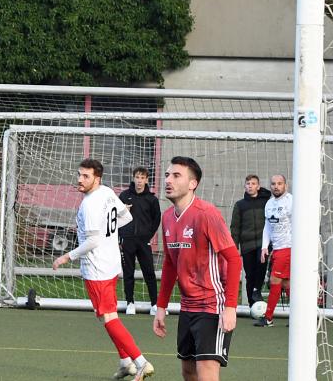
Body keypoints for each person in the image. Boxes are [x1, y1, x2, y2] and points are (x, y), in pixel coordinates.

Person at [53, 159, 154, 381]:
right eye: (79, 174)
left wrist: (66, 256)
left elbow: (92, 241)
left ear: (96, 178)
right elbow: (126, 217)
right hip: (110, 265)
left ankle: (141, 362)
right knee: (105, 316)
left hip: (96, 268)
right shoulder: (108, 192)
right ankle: (126, 362)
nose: (80, 179)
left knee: (108, 318)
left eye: (85, 176)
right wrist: (108, 232)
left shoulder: (89, 204)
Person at [153, 156, 242, 381]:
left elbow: (234, 259)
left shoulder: (206, 214)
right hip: (187, 307)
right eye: (167, 175)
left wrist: (230, 307)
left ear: (193, 184)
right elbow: (170, 264)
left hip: (212, 305)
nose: (168, 180)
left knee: (207, 371)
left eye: (176, 175)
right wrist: (161, 307)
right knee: (188, 371)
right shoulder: (167, 217)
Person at [118, 167, 161, 316]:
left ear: (147, 180)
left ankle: (155, 304)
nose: (139, 181)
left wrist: (147, 235)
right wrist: (123, 212)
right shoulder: (124, 196)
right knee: (128, 272)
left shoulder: (152, 199)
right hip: (127, 240)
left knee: (149, 272)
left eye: (142, 178)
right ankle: (130, 303)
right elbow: (115, 217)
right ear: (133, 178)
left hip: (143, 241)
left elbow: (157, 219)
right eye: (137, 177)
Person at [256, 174, 292, 327]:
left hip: (288, 248)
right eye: (273, 184)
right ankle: (300, 317)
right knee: (286, 284)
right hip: (277, 249)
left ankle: (268, 317)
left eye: (279, 183)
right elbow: (268, 227)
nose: (276, 186)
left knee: (274, 281)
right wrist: (265, 246)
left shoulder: (292, 201)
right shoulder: (269, 203)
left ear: (286, 185)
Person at [229, 175, 271, 306]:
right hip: (247, 245)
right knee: (249, 274)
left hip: (262, 243)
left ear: (258, 186)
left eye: (253, 183)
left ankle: (257, 291)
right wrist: (234, 246)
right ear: (245, 186)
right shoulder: (240, 205)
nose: (250, 186)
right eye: (248, 184)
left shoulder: (266, 202)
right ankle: (252, 304)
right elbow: (235, 227)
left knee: (261, 265)